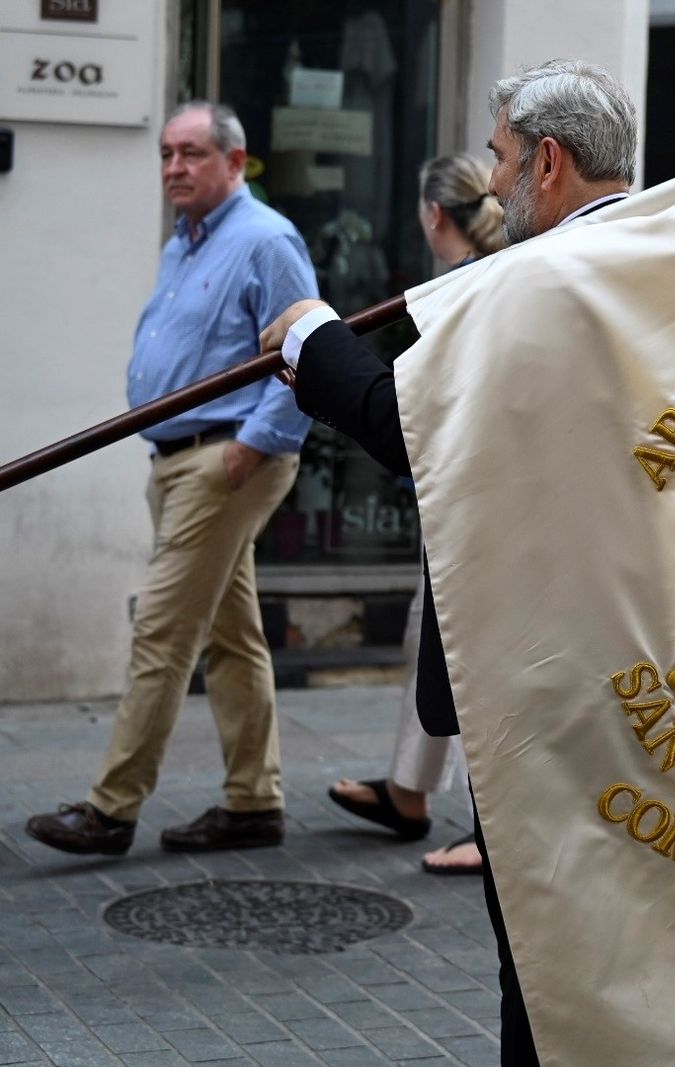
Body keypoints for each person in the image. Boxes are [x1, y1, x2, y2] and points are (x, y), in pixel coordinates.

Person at [261, 59, 636, 1064]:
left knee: (544, 960)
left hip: (544, 670)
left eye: (504, 160)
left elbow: (421, 433)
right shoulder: (662, 254)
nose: (495, 186)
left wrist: (313, 336)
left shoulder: (537, 277)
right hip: (630, 653)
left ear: (549, 163)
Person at [25, 102, 316, 857]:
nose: (174, 169)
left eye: (190, 154)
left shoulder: (264, 239)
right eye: (165, 155)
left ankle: (111, 809)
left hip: (222, 462)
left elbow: (305, 352)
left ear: (234, 159)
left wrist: (249, 448)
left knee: (161, 629)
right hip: (177, 457)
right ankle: (254, 802)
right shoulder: (184, 243)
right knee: (231, 633)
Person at [325, 153, 506, 877]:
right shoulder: (482, 277)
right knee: (431, 635)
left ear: (434, 214)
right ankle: (407, 789)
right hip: (462, 484)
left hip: (471, 488)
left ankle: (490, 829)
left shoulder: (464, 288)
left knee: (461, 648)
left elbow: (419, 413)